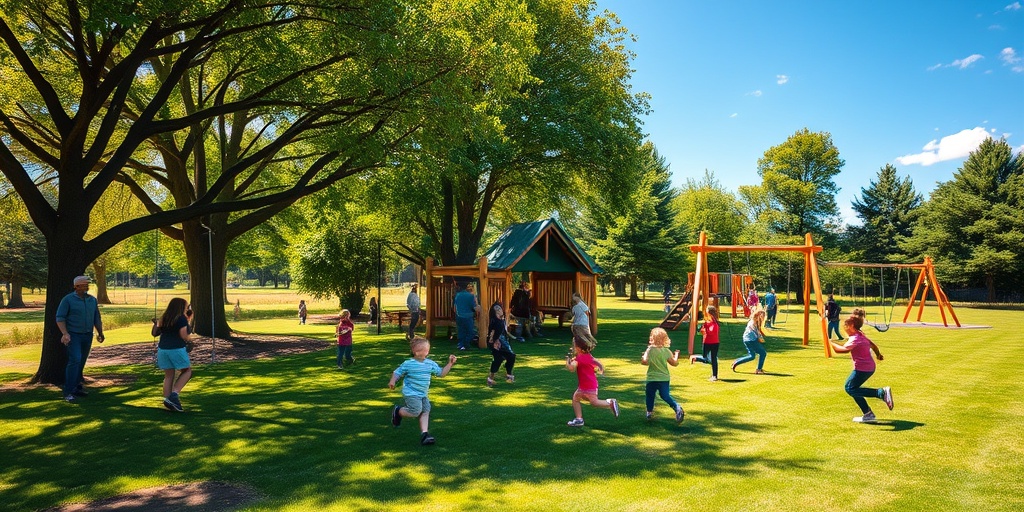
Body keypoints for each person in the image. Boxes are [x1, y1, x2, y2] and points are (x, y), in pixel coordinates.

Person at [389, 337, 457, 445]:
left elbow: (441, 373)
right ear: (415, 352)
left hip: (423, 393)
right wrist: (393, 381)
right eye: (424, 349)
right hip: (411, 393)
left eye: (427, 349)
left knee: (425, 410)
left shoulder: (430, 364)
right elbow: (397, 372)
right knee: (416, 411)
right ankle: (398, 411)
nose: (427, 352)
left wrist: (450, 364)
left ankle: (425, 434)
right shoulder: (408, 363)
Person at [829, 313, 894, 423]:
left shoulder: (855, 338)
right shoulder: (861, 335)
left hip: (862, 369)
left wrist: (830, 343)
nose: (844, 329)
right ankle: (868, 414)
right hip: (869, 367)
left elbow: (842, 350)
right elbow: (873, 346)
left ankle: (881, 393)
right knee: (854, 389)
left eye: (845, 326)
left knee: (850, 388)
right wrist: (878, 355)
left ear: (852, 325)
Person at [55, 275, 105, 402]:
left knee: (81, 362)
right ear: (76, 286)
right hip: (74, 335)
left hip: (87, 335)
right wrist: (65, 333)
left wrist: (100, 332)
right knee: (75, 360)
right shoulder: (68, 300)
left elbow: (96, 318)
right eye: (84, 285)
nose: (87, 287)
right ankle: (68, 391)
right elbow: (60, 318)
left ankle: (77, 387)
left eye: (87, 285)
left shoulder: (92, 300)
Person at [565, 335, 619, 427]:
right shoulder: (589, 356)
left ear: (579, 348)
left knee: (589, 401)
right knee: (578, 398)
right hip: (590, 385)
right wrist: (601, 369)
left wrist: (567, 362)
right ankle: (579, 419)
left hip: (587, 386)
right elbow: (597, 363)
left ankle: (610, 402)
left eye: (574, 346)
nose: (573, 348)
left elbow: (571, 368)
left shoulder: (578, 359)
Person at [151, 297, 193, 412]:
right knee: (187, 371)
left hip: (162, 349)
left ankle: (168, 400)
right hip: (176, 348)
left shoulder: (165, 317)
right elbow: (183, 335)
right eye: (186, 306)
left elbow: (155, 333)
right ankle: (174, 394)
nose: (187, 308)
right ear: (181, 307)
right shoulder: (181, 318)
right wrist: (191, 341)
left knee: (169, 375)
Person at [641, 327, 684, 422]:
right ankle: (677, 407)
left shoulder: (650, 350)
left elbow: (644, 362)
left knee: (650, 395)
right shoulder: (666, 351)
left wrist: (643, 356)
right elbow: (674, 363)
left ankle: (649, 413)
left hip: (652, 378)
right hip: (664, 378)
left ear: (652, 338)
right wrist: (676, 356)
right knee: (665, 395)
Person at [485, 302, 517, 386]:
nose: (499, 310)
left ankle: (508, 375)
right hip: (497, 344)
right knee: (499, 359)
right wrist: (494, 343)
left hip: (503, 342)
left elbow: (504, 331)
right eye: (497, 309)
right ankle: (492, 379)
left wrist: (511, 337)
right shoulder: (495, 321)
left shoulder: (501, 320)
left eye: (499, 308)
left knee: (510, 357)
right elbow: (492, 333)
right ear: (494, 312)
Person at [690, 305, 721, 381]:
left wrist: (706, 328)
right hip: (706, 342)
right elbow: (702, 332)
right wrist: (701, 330)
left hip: (714, 343)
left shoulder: (715, 323)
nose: (706, 313)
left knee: (713, 359)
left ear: (710, 313)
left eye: (707, 311)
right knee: (705, 357)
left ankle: (715, 376)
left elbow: (711, 332)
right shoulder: (707, 322)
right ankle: (695, 358)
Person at [732, 309, 768, 374]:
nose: (763, 318)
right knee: (762, 353)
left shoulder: (754, 321)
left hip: (747, 339)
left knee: (753, 356)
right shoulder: (752, 323)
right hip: (750, 340)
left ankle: (737, 361)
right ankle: (758, 369)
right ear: (758, 316)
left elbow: (758, 331)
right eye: (762, 316)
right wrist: (760, 338)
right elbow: (756, 333)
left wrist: (762, 335)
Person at [453, 283, 480, 350]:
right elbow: (474, 307)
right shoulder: (471, 296)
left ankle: (461, 345)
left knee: (461, 331)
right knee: (470, 332)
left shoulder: (458, 295)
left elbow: (454, 307)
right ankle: (466, 344)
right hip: (468, 316)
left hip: (459, 315)